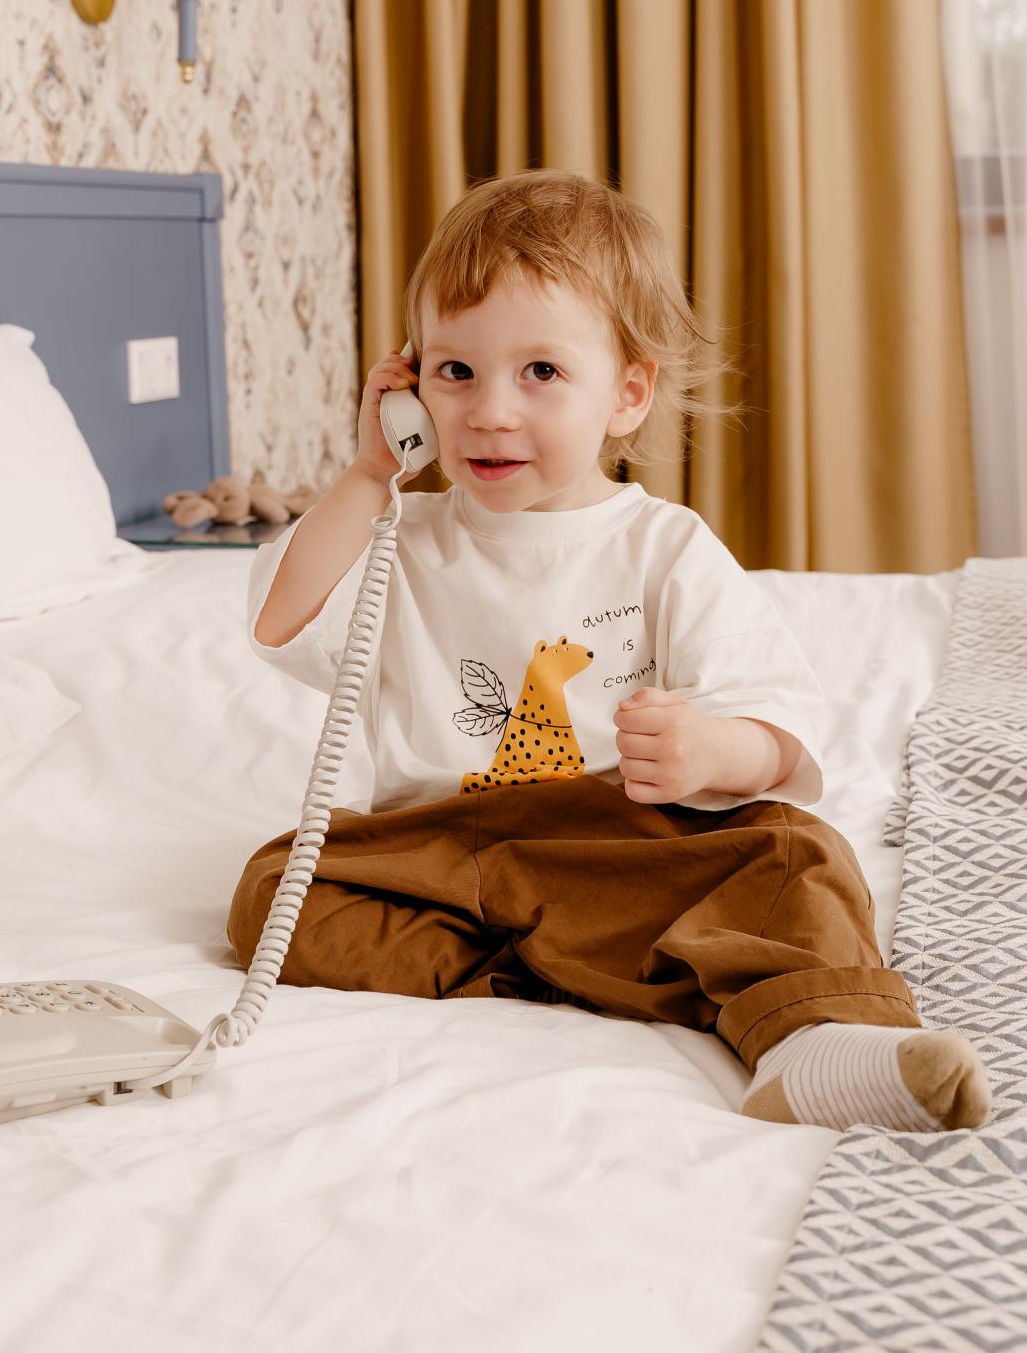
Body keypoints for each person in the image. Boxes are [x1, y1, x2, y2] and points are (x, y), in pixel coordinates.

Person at [230, 170, 991, 1133]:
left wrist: (712, 751)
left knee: (797, 856)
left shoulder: (663, 545)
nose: (488, 411)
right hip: (451, 848)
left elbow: (779, 726)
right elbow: (281, 622)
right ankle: (599, 966)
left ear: (627, 394)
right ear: (408, 387)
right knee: (273, 892)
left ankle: (813, 1040)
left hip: (620, 840)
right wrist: (366, 473)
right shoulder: (398, 536)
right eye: (453, 372)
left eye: (540, 373)